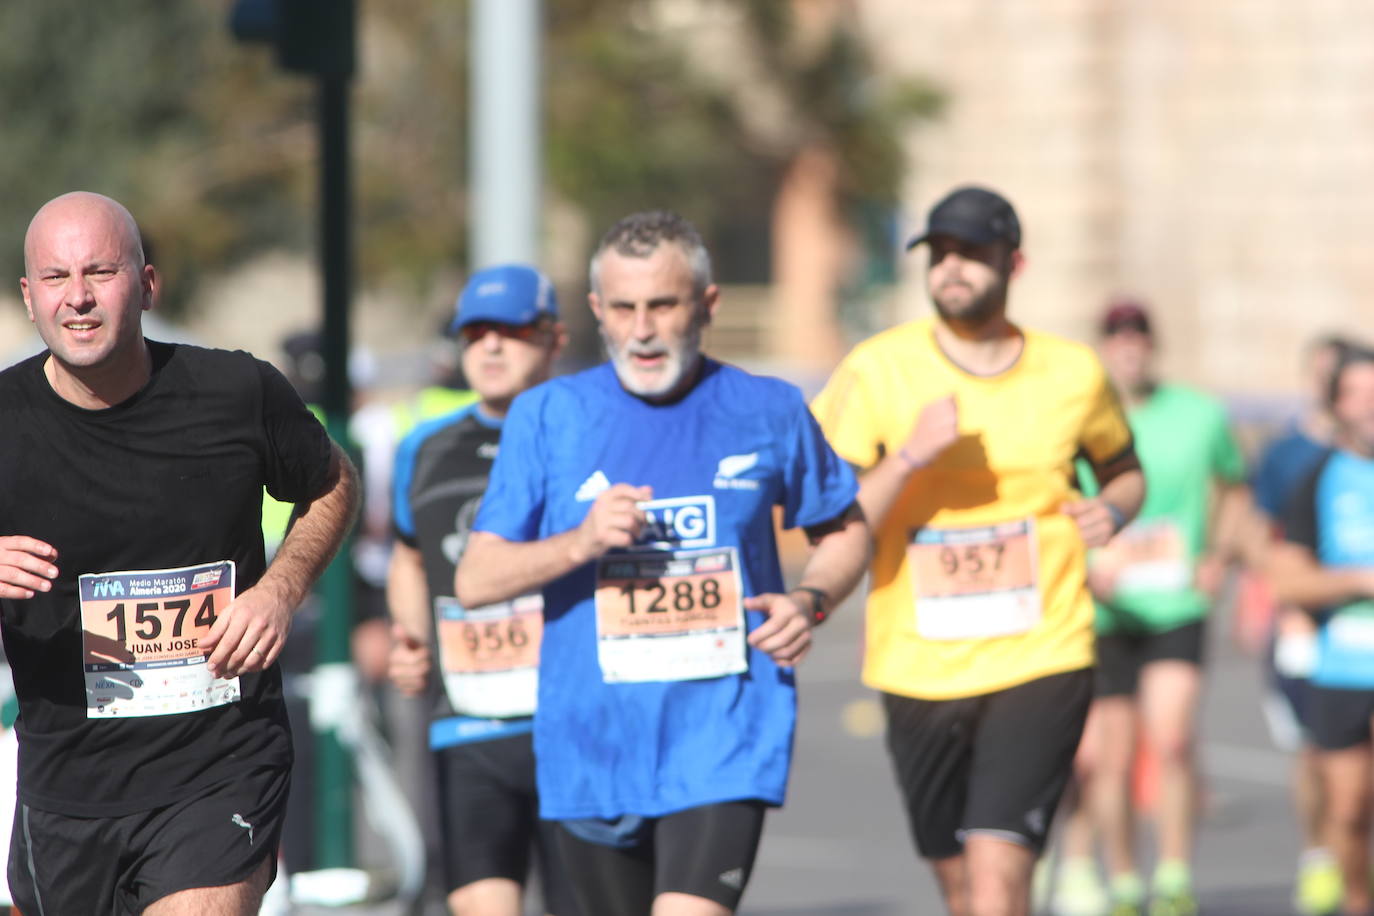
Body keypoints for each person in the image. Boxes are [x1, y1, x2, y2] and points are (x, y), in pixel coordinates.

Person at [455, 211, 870, 916]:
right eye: (623, 308)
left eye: (662, 305)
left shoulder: (768, 408)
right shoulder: (547, 415)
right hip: (591, 743)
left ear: (706, 305)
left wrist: (811, 602)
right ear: (597, 312)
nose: (642, 329)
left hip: (725, 735)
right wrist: (583, 541)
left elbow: (845, 529)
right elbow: (476, 581)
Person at [0, 192, 358, 915]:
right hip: (67, 792)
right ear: (29, 297)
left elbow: (334, 481)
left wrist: (281, 590)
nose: (79, 298)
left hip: (220, 766)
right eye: (58, 277)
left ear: (148, 283)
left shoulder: (234, 391)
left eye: (100, 272)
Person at [810, 185, 1145, 916]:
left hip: (1043, 652)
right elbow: (824, 520)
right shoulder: (877, 369)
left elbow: (1124, 472)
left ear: (1013, 263)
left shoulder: (1072, 373)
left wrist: (1111, 512)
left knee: (998, 877)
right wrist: (904, 461)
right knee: (959, 882)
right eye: (939, 253)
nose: (952, 268)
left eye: (972, 253)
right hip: (918, 664)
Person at [386, 264, 576, 916]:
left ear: (555, 338)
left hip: (575, 726)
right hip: (469, 724)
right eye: (475, 333)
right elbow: (410, 558)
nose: (491, 347)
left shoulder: (586, 431)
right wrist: (409, 638)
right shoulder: (425, 447)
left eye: (513, 330)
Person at [1051, 300, 1248, 916]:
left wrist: (1219, 555)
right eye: (1116, 337)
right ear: (1103, 349)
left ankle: (1174, 875)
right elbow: (1050, 504)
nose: (1128, 347)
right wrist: (1083, 566)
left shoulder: (1198, 414)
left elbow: (1235, 488)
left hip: (1174, 602)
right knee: (1107, 757)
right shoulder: (1078, 418)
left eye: (1138, 335)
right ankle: (1124, 876)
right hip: (1105, 609)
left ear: (1152, 345)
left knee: (1173, 738)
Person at [1269, 344, 1374, 916]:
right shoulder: (1317, 479)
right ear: (1337, 406)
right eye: (1357, 394)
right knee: (1351, 809)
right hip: (1343, 667)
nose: (1371, 406)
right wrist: (1358, 580)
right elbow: (1287, 581)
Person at [1250, 334, 1351, 916]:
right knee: (1313, 753)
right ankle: (1318, 855)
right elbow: (1264, 536)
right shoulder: (1288, 453)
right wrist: (1276, 604)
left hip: (1358, 630)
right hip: (1303, 625)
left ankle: (1349, 861)